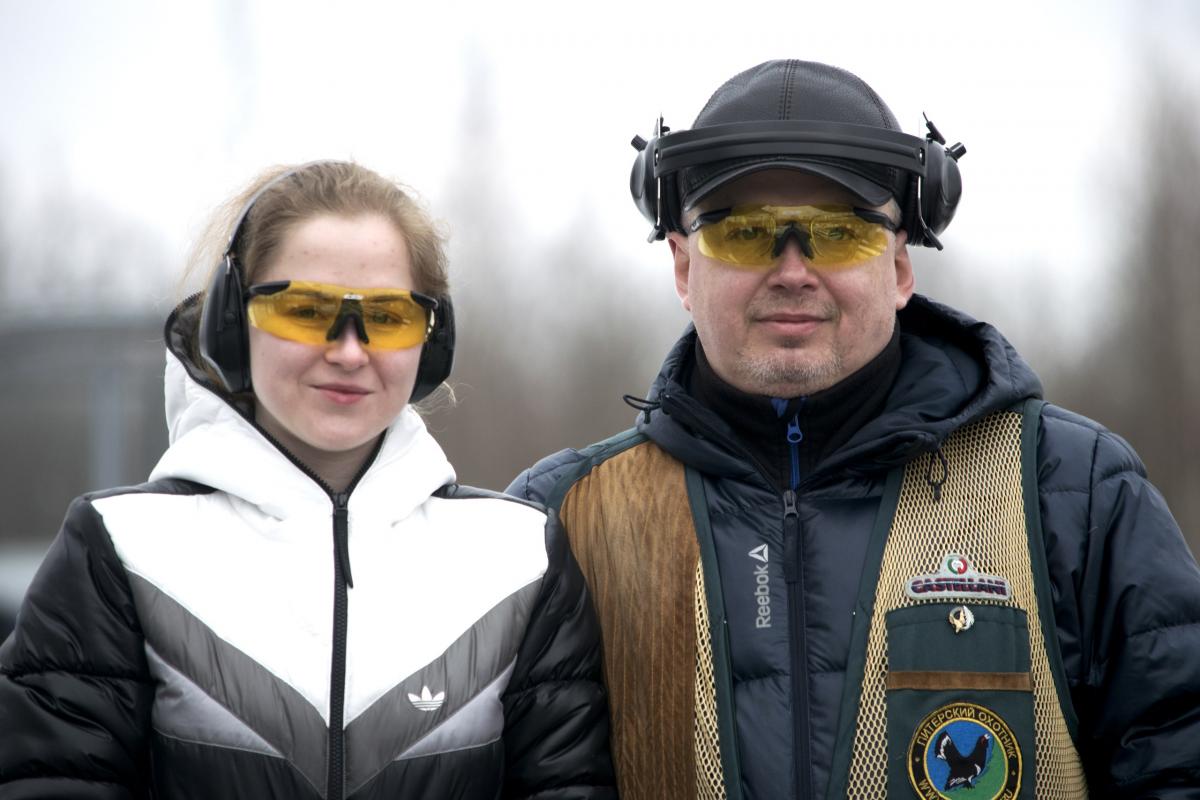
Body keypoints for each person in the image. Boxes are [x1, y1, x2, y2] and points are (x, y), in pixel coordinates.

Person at [508, 60, 1200, 799]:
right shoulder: (559, 523)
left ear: (899, 267)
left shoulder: (1074, 493)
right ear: (683, 268)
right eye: (745, 234)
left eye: (838, 234)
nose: (793, 271)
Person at [0, 161, 615, 799]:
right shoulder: (121, 548)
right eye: (304, 309)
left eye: (388, 317)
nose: (349, 351)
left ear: (432, 342)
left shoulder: (520, 559)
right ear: (232, 323)